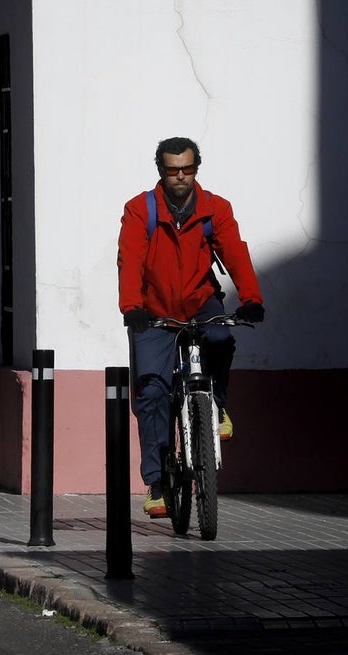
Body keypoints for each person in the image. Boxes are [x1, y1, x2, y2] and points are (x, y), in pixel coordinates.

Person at [117, 136, 265, 518]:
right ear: (161, 171)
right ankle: (157, 485)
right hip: (154, 312)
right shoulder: (140, 210)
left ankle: (216, 407)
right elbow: (129, 259)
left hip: (200, 302)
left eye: (187, 168)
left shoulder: (216, 209)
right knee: (152, 392)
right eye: (173, 170)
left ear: (196, 168)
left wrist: (252, 298)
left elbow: (235, 251)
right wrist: (132, 307)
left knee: (221, 338)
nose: (181, 176)